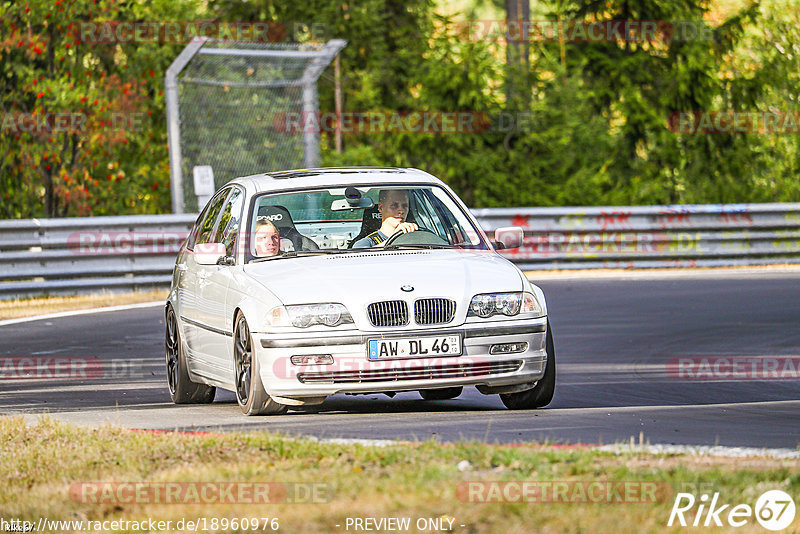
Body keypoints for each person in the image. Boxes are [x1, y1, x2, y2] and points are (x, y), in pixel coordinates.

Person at [353, 189, 418, 247]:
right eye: (394, 205)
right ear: (381, 207)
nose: (401, 211)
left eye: (405, 206)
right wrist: (393, 239)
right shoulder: (365, 243)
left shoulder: (416, 239)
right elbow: (362, 256)